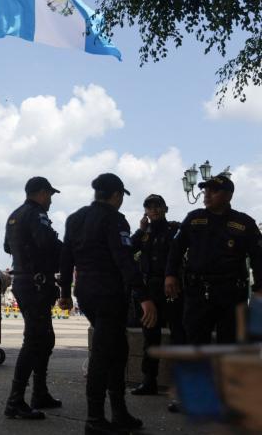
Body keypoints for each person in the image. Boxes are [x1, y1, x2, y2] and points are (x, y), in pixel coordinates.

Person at [59, 173, 157, 434]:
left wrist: (64, 291)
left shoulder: (75, 218)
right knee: (105, 355)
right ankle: (95, 419)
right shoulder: (114, 219)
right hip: (109, 294)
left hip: (86, 293)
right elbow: (124, 259)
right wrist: (144, 295)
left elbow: (66, 257)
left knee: (117, 349)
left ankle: (119, 412)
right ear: (116, 195)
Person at [165, 175, 262, 345]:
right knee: (195, 344)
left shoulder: (244, 223)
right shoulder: (193, 219)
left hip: (231, 295)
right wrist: (170, 274)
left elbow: (259, 257)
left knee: (230, 346)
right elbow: (176, 249)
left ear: (228, 195)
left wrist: (259, 288)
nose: (207, 194)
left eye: (214, 190)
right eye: (205, 190)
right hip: (198, 295)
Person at [3, 177, 63, 420]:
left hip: (24, 281)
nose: (50, 200)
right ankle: (15, 401)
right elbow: (46, 242)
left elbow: (7, 247)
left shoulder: (14, 215)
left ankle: (40, 392)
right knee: (35, 340)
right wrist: (69, 252)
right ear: (40, 193)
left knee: (45, 339)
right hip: (36, 283)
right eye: (49, 195)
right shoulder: (37, 214)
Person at [130, 194, 185, 396]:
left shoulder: (175, 229)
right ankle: (149, 380)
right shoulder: (145, 233)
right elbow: (128, 249)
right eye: (149, 207)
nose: (153, 210)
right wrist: (141, 229)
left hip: (172, 288)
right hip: (150, 291)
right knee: (150, 337)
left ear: (165, 208)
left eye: (157, 206)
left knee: (180, 335)